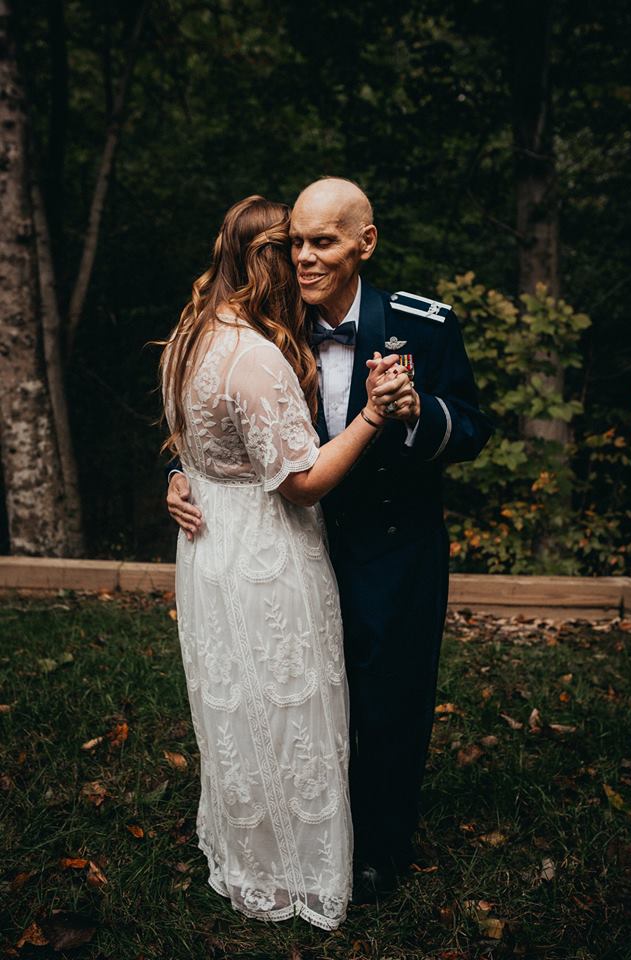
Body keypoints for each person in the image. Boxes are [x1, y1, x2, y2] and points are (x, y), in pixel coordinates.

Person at [166, 178, 494, 903]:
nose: (305, 259)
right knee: (306, 697)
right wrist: (178, 472)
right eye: (296, 245)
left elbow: (473, 426)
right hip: (292, 543)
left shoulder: (425, 325)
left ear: (364, 243)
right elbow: (213, 411)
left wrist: (416, 412)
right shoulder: (269, 321)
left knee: (388, 697)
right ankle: (312, 831)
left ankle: (379, 845)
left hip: (392, 546)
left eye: (323, 243)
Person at [158, 194, 398, 929]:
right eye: (290, 246)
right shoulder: (258, 355)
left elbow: (193, 439)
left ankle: (247, 855)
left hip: (208, 545)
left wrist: (182, 476)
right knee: (289, 705)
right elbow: (301, 484)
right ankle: (297, 871)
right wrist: (372, 415)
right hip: (264, 548)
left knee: (237, 704)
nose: (304, 259)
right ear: (267, 259)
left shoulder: (193, 332)